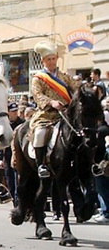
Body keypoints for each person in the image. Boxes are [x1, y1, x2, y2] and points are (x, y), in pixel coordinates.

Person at [30, 40, 79, 178]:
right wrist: (51, 102)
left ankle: (90, 162)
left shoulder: (64, 77)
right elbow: (37, 95)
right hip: (47, 114)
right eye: (48, 60)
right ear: (43, 61)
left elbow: (76, 89)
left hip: (66, 114)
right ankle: (41, 165)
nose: (52, 62)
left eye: (53, 59)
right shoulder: (38, 78)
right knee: (40, 133)